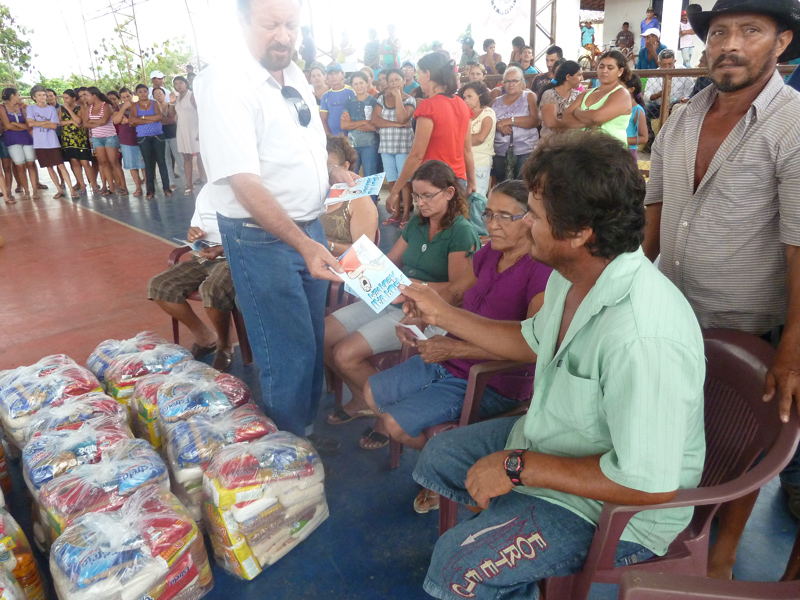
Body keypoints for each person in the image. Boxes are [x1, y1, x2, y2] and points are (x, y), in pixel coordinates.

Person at [404, 131, 705, 599]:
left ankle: (505, 559)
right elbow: (529, 339)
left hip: (609, 509)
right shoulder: (574, 276)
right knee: (439, 457)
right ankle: (513, 551)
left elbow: (649, 485)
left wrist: (517, 466)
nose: (523, 228)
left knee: (457, 566)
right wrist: (442, 314)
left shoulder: (643, 337)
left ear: (579, 233)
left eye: (535, 218)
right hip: (553, 443)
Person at [642, 0, 800, 580]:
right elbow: (654, 207)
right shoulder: (684, 114)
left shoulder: (793, 123)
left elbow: (799, 243)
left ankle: (723, 558)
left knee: (742, 445)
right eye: (719, 32)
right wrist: (623, 283)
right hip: (676, 312)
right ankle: (671, 531)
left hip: (751, 324)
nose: (729, 44)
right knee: (682, 429)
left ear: (780, 43)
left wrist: (792, 347)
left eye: (750, 31)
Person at [194, 0, 358, 450]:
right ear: (243, 22)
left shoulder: (294, 73)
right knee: (286, 353)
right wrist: (304, 244)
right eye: (271, 24)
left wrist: (331, 172)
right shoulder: (226, 83)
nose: (283, 35)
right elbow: (244, 183)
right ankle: (286, 456)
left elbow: (307, 139)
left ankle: (299, 437)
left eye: (291, 25)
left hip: (307, 229)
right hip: (263, 238)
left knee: (309, 340)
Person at [367, 179, 551, 510]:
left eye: (504, 217)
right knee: (371, 393)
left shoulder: (542, 272)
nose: (491, 224)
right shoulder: (487, 255)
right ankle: (446, 464)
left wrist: (454, 348)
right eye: (489, 213)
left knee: (393, 423)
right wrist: (421, 317)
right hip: (447, 357)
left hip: (492, 377)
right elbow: (453, 294)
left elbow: (531, 347)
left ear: (531, 219)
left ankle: (447, 471)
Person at [324, 160, 480, 448]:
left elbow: (457, 293)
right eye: (417, 196)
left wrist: (410, 288)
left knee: (345, 354)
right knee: (322, 335)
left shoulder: (461, 232)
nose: (420, 203)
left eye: (427, 196)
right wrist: (361, 266)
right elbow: (388, 262)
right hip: (393, 297)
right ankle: (361, 397)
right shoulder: (416, 225)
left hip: (426, 313)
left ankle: (383, 416)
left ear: (448, 193)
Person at [147, 189, 237, 372]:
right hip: (203, 256)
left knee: (212, 289)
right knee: (160, 286)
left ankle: (225, 344)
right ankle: (204, 337)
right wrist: (193, 235)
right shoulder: (206, 190)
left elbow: (255, 236)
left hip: (234, 257)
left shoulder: (241, 190)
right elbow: (195, 229)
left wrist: (222, 248)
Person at [386, 52, 476, 221]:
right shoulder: (463, 105)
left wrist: (395, 191)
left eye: (419, 73)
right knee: (453, 229)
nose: (417, 78)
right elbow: (467, 151)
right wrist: (472, 182)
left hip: (434, 182)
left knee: (433, 233)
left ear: (428, 74)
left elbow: (416, 155)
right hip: (458, 180)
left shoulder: (428, 106)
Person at [371, 67, 416, 227]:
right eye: (391, 81)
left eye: (397, 79)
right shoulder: (381, 99)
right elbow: (375, 120)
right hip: (386, 146)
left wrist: (398, 97)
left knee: (404, 182)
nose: (394, 83)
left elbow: (403, 116)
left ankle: (405, 216)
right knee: (391, 180)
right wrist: (397, 125)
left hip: (403, 146)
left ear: (404, 80)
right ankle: (395, 214)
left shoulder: (410, 100)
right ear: (387, 83)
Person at [321, 134, 379, 257]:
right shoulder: (309, 195)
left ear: (345, 167)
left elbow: (364, 253)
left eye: (328, 167)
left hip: (338, 271)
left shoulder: (358, 200)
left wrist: (324, 244)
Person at [562, 50, 632, 145]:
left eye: (610, 68)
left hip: (611, 151)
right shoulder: (586, 93)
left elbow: (596, 117)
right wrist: (591, 123)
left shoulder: (622, 94)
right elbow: (566, 118)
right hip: (582, 148)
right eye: (601, 66)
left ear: (620, 71)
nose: (604, 71)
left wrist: (578, 112)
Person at [491, 66, 540, 182]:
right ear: (503, 83)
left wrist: (509, 121)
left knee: (523, 186)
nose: (511, 84)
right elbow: (487, 122)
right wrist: (498, 125)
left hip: (525, 150)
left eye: (515, 81)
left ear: (522, 82)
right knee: (503, 186)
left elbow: (535, 120)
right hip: (500, 152)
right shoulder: (496, 101)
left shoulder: (529, 96)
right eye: (507, 81)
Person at [26, 85, 76, 199]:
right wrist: (46, 122)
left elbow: (54, 125)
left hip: (52, 141)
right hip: (40, 142)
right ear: (34, 97)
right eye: (39, 95)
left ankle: (71, 190)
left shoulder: (52, 109)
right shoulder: (31, 108)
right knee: (49, 167)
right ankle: (59, 189)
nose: (42, 97)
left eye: (43, 94)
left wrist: (38, 122)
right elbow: (30, 123)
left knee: (61, 165)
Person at [128, 83, 171, 199]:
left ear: (148, 92)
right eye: (140, 92)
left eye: (145, 91)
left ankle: (166, 188)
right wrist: (150, 119)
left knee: (161, 162)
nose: (143, 93)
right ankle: (150, 191)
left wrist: (141, 118)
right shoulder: (134, 105)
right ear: (137, 93)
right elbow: (132, 121)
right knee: (148, 163)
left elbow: (159, 117)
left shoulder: (154, 103)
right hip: (143, 137)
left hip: (158, 135)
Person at [81, 86, 126, 196]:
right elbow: (85, 123)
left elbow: (104, 120)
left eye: (87, 95)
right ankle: (110, 187)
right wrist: (97, 122)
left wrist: (93, 121)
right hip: (97, 138)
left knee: (114, 162)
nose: (85, 97)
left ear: (94, 95)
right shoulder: (88, 108)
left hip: (109, 137)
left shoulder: (106, 106)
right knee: (102, 162)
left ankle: (123, 186)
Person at [642, 49, 694, 142]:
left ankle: (673, 142)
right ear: (658, 63)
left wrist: (683, 99)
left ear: (675, 61)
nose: (667, 68)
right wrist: (658, 94)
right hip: (659, 105)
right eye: (664, 65)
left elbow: (690, 91)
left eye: (670, 64)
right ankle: (650, 138)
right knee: (645, 108)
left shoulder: (683, 71)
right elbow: (646, 96)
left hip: (678, 105)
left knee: (681, 107)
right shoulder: (654, 74)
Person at [1, 88, 40, 200]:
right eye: (18, 94)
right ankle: (27, 191)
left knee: (31, 164)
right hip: (12, 141)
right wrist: (21, 126)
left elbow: (28, 125)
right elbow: (7, 126)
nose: (20, 96)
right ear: (12, 95)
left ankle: (35, 190)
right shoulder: (2, 108)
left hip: (26, 139)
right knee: (20, 166)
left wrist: (15, 124)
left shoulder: (22, 108)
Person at [459, 82, 495, 197]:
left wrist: (458, 141)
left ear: (479, 96)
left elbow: (480, 138)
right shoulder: (464, 115)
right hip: (462, 163)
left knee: (476, 201)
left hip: (480, 163)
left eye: (470, 96)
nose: (466, 100)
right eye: (464, 97)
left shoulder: (487, 112)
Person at [172, 76, 206, 195]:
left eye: (181, 83)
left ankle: (204, 179)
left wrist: (200, 130)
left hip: (194, 129)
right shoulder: (176, 99)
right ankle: (189, 184)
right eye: (176, 84)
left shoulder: (192, 95)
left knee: (200, 156)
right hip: (182, 131)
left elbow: (202, 113)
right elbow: (176, 115)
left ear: (186, 83)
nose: (178, 85)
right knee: (187, 157)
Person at [341, 72, 379, 181]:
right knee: (353, 176)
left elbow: (374, 127)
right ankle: (356, 199)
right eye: (356, 84)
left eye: (361, 83)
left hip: (370, 145)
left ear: (367, 83)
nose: (359, 86)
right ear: (352, 86)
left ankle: (372, 199)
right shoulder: (348, 102)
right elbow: (344, 125)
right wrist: (364, 122)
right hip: (352, 145)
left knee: (370, 176)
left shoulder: (374, 102)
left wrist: (352, 124)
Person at [112, 87, 145, 197]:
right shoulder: (118, 107)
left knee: (144, 165)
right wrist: (123, 109)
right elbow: (116, 121)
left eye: (128, 96)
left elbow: (144, 120)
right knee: (132, 166)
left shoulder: (140, 105)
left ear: (132, 95)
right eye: (123, 97)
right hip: (126, 140)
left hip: (141, 137)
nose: (126, 99)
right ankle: (138, 187)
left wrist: (128, 121)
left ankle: (149, 187)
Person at [538, 61, 583, 138]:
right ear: (568, 77)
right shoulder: (550, 94)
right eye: (579, 75)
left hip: (572, 142)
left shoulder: (577, 95)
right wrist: (577, 124)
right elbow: (551, 123)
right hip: (551, 143)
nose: (582, 78)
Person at [154, 87, 180, 190]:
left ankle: (187, 181)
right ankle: (171, 182)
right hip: (161, 136)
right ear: (154, 97)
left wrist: (160, 119)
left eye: (160, 93)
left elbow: (173, 120)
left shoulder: (171, 105)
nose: (159, 95)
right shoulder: (154, 107)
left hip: (173, 134)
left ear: (164, 95)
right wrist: (162, 119)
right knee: (166, 160)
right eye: (156, 94)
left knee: (179, 159)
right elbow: (156, 119)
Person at [320, 63, 355, 137]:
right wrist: (330, 137)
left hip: (350, 137)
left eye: (336, 73)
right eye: (331, 74)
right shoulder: (325, 96)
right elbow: (323, 120)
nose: (334, 77)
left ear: (343, 74)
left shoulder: (351, 92)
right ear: (327, 77)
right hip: (333, 138)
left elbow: (357, 116)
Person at [626, 74, 647, 159]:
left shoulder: (637, 110)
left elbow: (643, 138)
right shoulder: (614, 108)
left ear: (631, 89)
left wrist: (622, 139)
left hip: (628, 152)